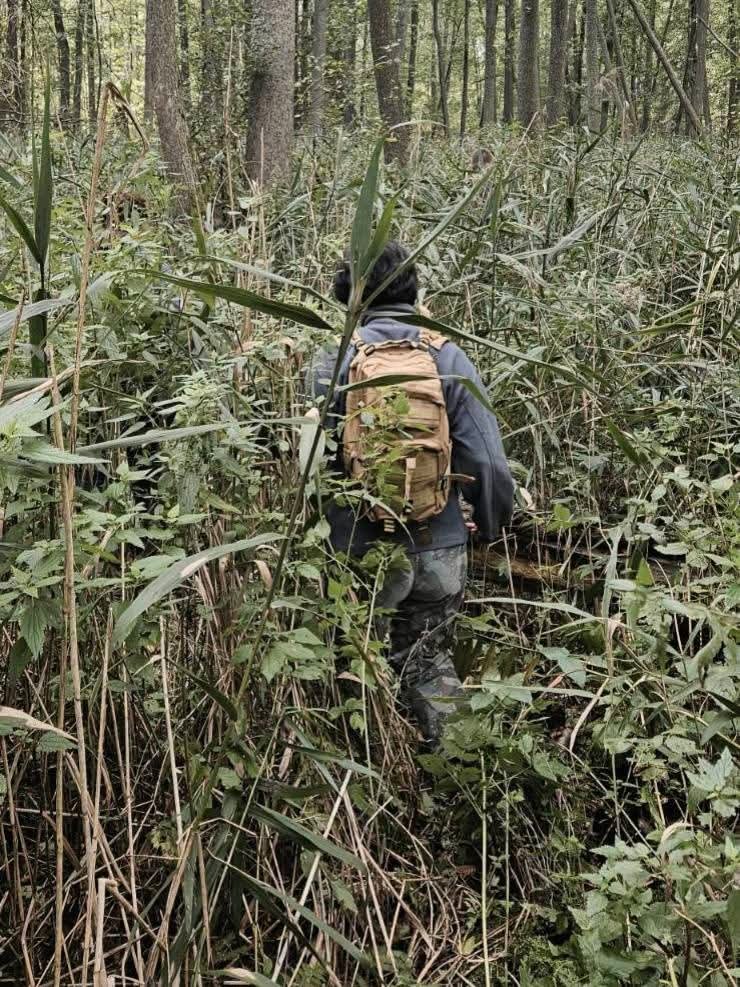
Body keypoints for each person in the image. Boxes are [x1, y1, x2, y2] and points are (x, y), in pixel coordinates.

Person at [310, 241, 515, 745]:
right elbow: (487, 460)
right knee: (426, 661)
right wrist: (489, 526)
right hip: (437, 544)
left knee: (354, 667)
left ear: (348, 294)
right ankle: (459, 775)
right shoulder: (447, 355)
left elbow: (309, 465)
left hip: (357, 551)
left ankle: (368, 783)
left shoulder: (332, 360)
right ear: (413, 287)